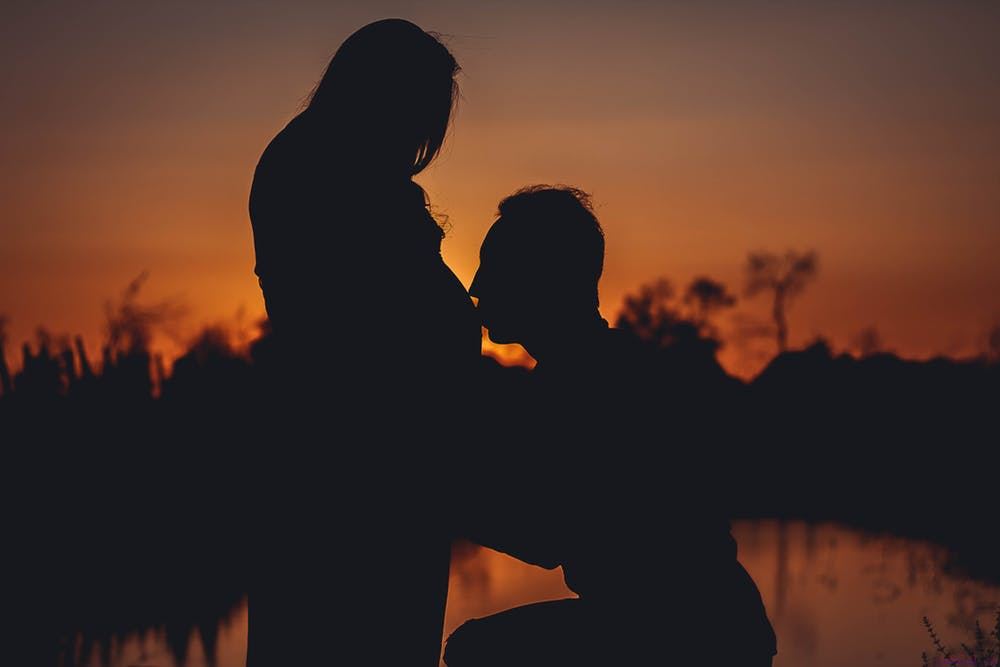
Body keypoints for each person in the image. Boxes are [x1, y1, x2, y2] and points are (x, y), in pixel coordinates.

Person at [447, 186, 777, 666]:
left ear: (543, 278)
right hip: (702, 622)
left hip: (688, 629)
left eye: (494, 267)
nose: (476, 286)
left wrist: (437, 497)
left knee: (477, 651)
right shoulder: (588, 368)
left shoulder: (591, 379)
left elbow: (544, 535)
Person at [247, 19, 480, 666]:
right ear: (382, 93)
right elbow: (354, 328)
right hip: (353, 471)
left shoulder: (337, 162)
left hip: (385, 465)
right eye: (420, 111)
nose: (422, 135)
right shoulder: (321, 167)